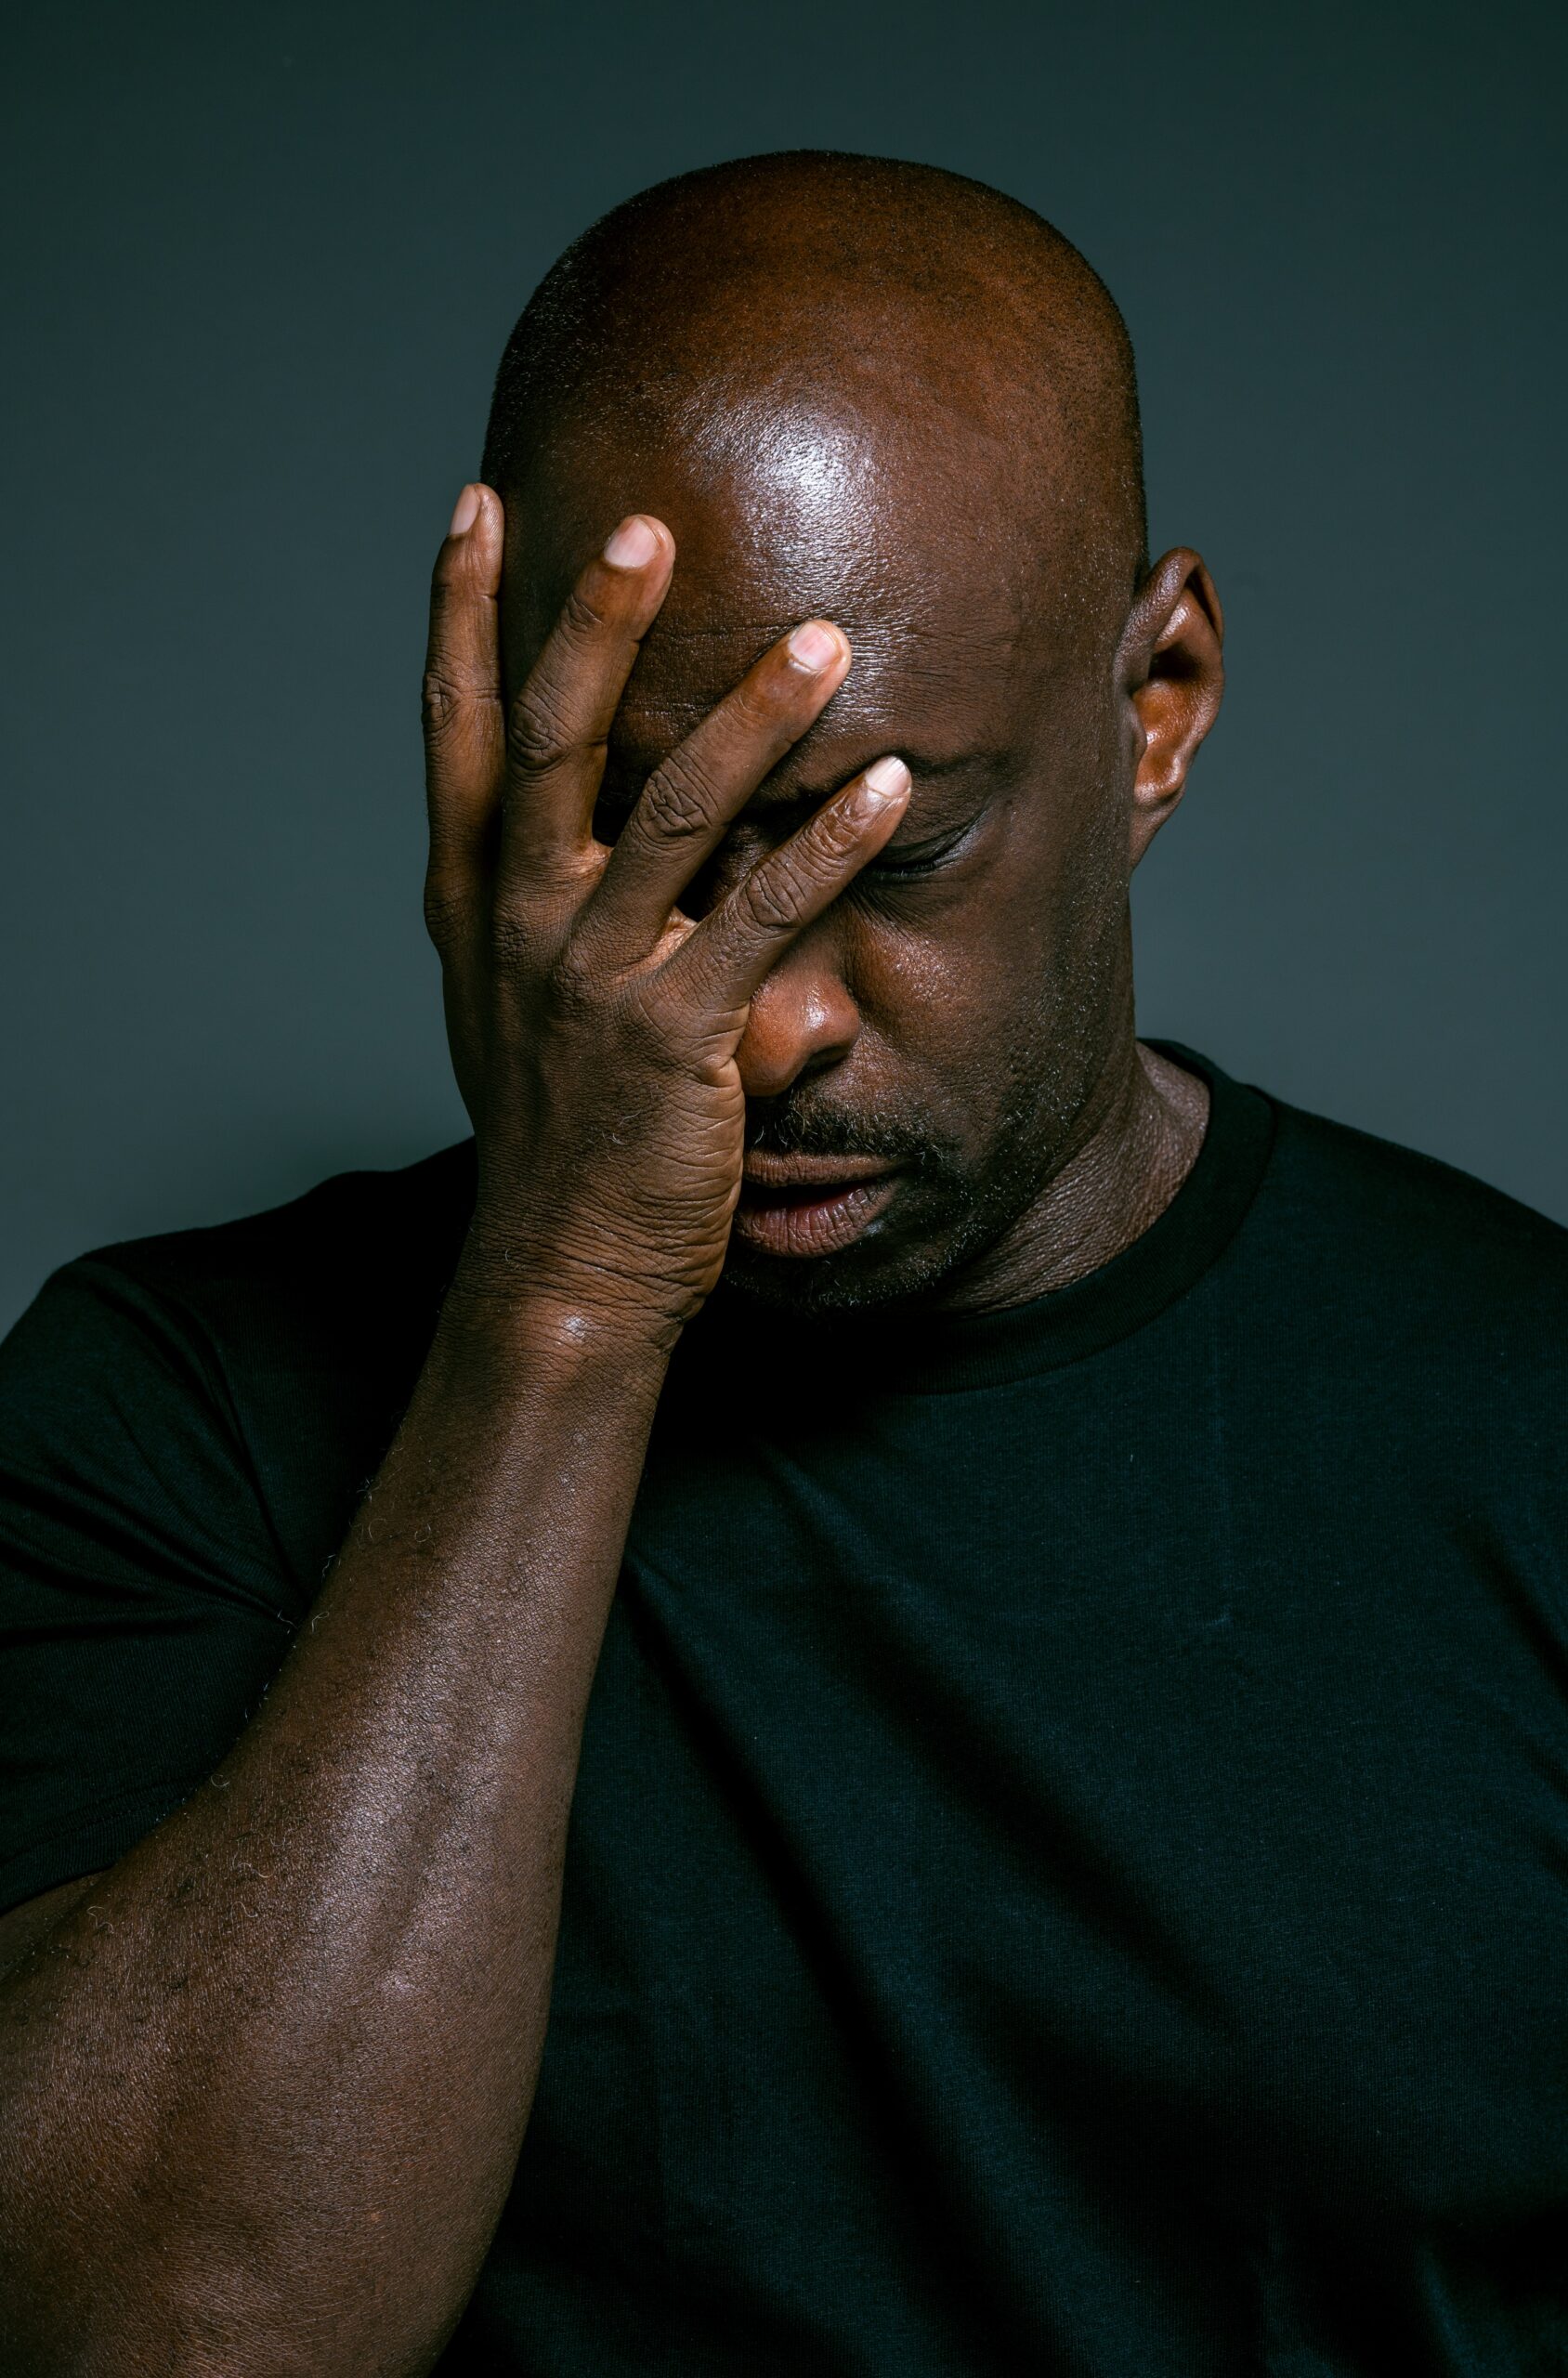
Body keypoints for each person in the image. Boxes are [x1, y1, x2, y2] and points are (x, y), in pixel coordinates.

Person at [0, 149, 1563, 2378]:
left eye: (891, 848)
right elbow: (159, 2338)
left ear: (1160, 702)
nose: (768, 1018)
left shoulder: (1524, 1430)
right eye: (658, 857)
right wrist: (564, 1301)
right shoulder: (171, 1420)